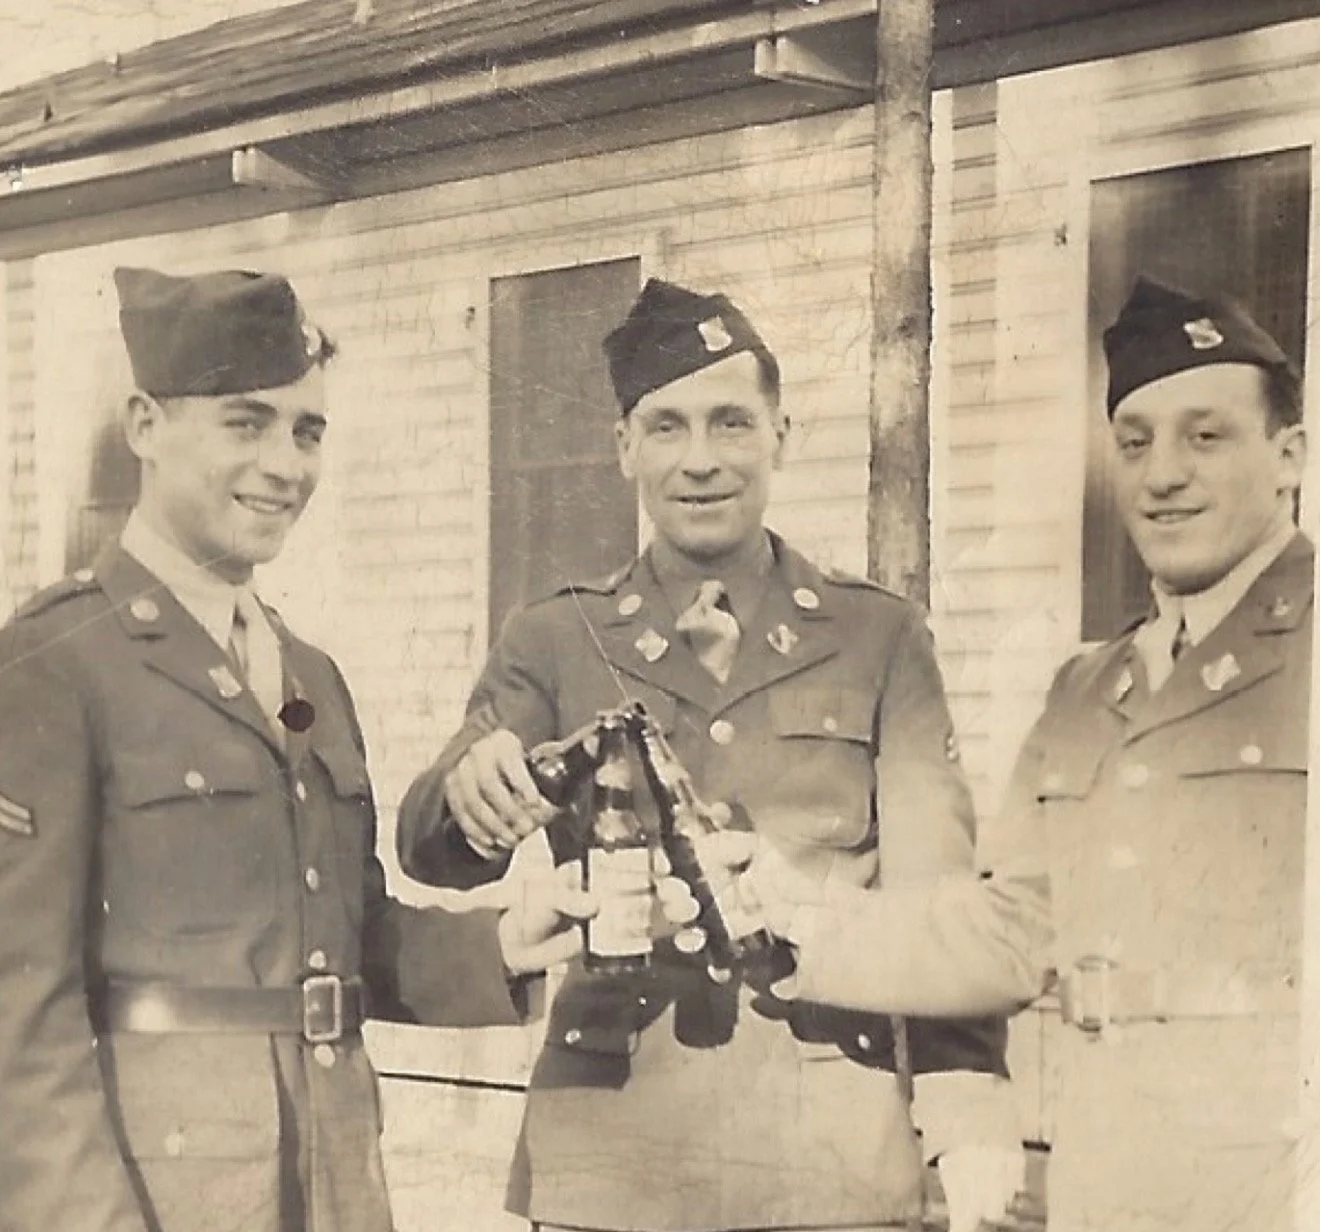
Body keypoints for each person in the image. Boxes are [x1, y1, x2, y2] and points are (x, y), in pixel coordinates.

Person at [395, 278, 1025, 1232]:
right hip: (611, 1161)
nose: (700, 461)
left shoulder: (880, 638)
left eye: (731, 423)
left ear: (781, 435)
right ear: (624, 448)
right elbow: (433, 845)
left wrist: (968, 1115)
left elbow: (937, 908)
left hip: (826, 1160)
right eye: (667, 427)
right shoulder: (555, 637)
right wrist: (470, 794)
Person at [0, 267, 586, 1232]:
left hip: (335, 1181)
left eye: (307, 431)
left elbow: (345, 932)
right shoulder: (55, 662)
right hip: (157, 1200)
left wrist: (498, 945)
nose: (285, 465)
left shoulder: (309, 674)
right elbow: (19, 1016)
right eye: (246, 423)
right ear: (146, 424)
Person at [734, 275, 1311, 1232]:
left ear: (1289, 455)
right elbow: (1006, 935)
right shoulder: (1089, 690)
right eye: (1135, 443)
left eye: (1206, 437)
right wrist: (787, 912)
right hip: (1105, 1187)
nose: (1163, 475)